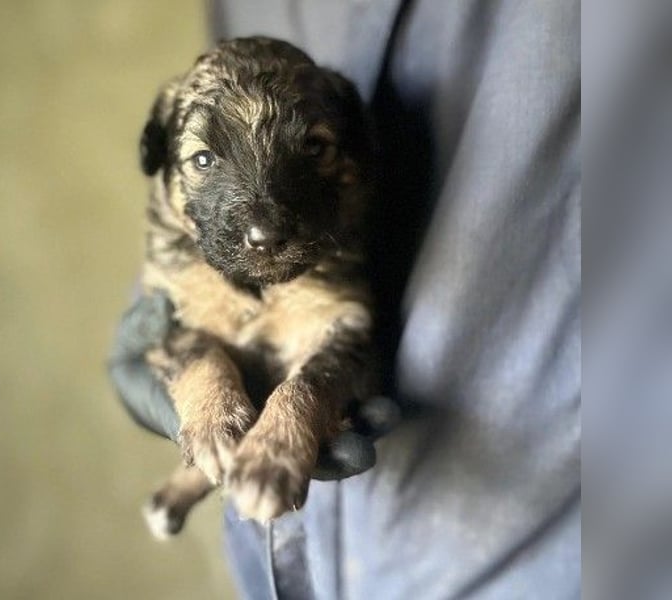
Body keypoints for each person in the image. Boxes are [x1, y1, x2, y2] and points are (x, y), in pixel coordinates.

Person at [111, 1, 581, 597]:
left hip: (513, 512)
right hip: (286, 560)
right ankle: (196, 478)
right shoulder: (183, 209)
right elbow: (177, 315)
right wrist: (197, 380)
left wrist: (296, 415)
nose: (263, 227)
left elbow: (339, 338)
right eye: (203, 159)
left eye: (311, 148)